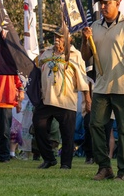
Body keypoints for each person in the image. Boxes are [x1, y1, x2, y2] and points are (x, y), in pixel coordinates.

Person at [81, 0, 124, 181]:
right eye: (101, 3)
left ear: (117, 4)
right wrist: (86, 41)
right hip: (101, 87)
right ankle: (104, 167)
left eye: (106, 3)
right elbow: (86, 56)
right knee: (95, 125)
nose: (103, 7)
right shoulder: (94, 26)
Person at [33, 33, 90, 170]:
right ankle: (49, 159)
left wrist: (87, 98)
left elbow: (82, 78)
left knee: (67, 134)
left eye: (61, 37)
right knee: (38, 125)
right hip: (47, 98)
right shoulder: (46, 53)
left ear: (69, 39)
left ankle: (65, 163)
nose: (57, 39)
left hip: (66, 99)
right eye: (56, 37)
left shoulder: (75, 55)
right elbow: (34, 69)